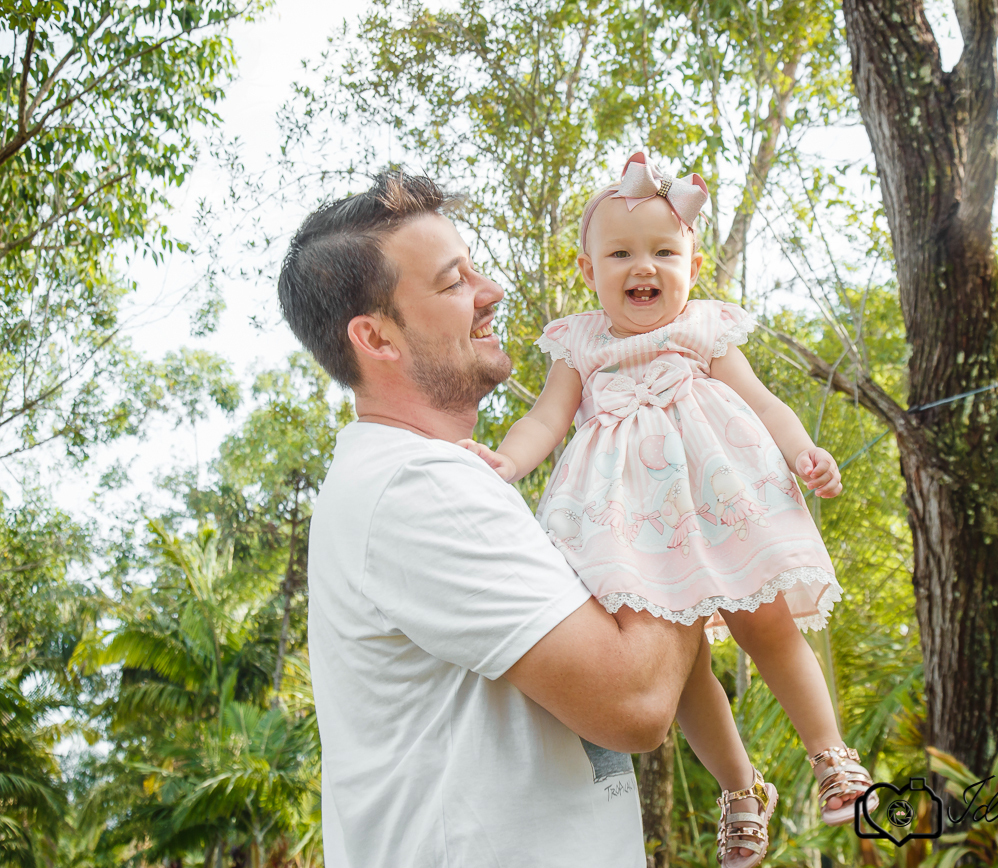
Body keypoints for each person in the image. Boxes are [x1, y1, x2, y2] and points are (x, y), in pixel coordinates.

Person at [277, 169, 710, 868]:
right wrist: (692, 480)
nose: (492, 293)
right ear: (377, 339)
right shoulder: (417, 485)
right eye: (454, 284)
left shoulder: (415, 478)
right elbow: (635, 699)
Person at [460, 153, 878, 868]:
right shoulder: (581, 342)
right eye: (620, 253)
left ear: (692, 262)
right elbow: (545, 420)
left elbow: (764, 403)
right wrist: (506, 461)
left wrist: (805, 451)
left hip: (720, 502)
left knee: (767, 627)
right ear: (589, 273)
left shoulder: (705, 330)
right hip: (633, 524)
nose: (642, 267)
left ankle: (832, 756)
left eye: (663, 251)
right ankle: (741, 790)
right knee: (678, 669)